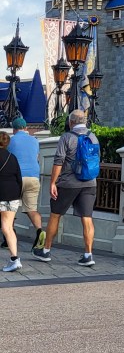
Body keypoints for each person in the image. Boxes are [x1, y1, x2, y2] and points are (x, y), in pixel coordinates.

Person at [33, 109, 99, 267]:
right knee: (87, 218)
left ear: (71, 122)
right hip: (90, 182)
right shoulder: (93, 137)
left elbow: (58, 162)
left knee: (55, 215)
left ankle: (46, 251)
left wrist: (52, 183)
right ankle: (88, 254)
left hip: (68, 183)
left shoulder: (67, 137)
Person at [7, 116, 44, 250]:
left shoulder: (11, 141)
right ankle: (40, 231)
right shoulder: (35, 141)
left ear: (14, 129)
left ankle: (9, 237)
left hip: (16, 178)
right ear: (26, 128)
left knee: (9, 208)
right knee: (31, 209)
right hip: (33, 177)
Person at [0, 135, 24, 272]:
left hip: (1, 194)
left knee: (6, 227)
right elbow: (19, 177)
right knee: (9, 226)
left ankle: (14, 260)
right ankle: (14, 258)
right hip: (13, 194)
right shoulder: (12, 157)